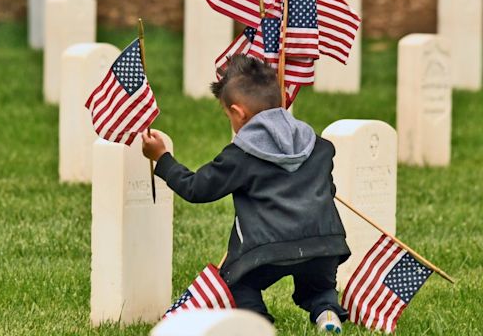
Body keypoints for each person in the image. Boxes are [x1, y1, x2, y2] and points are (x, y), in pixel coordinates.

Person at [142, 55, 351, 333]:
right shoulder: (320, 146)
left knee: (238, 284)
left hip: (266, 249)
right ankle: (326, 314)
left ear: (238, 113)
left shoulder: (240, 156)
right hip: (324, 243)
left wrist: (163, 159)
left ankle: (257, 324)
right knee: (319, 288)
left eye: (228, 115)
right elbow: (328, 189)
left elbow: (197, 189)